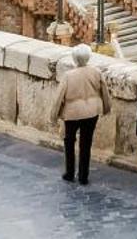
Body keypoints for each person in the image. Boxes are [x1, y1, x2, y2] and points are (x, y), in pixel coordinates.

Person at [52, 45, 107, 184]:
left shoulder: (69, 76)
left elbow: (59, 97)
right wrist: (106, 107)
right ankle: (83, 176)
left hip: (73, 112)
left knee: (69, 141)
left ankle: (69, 173)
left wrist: (54, 115)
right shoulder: (96, 72)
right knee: (86, 143)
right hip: (91, 112)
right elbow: (104, 91)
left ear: (74, 59)